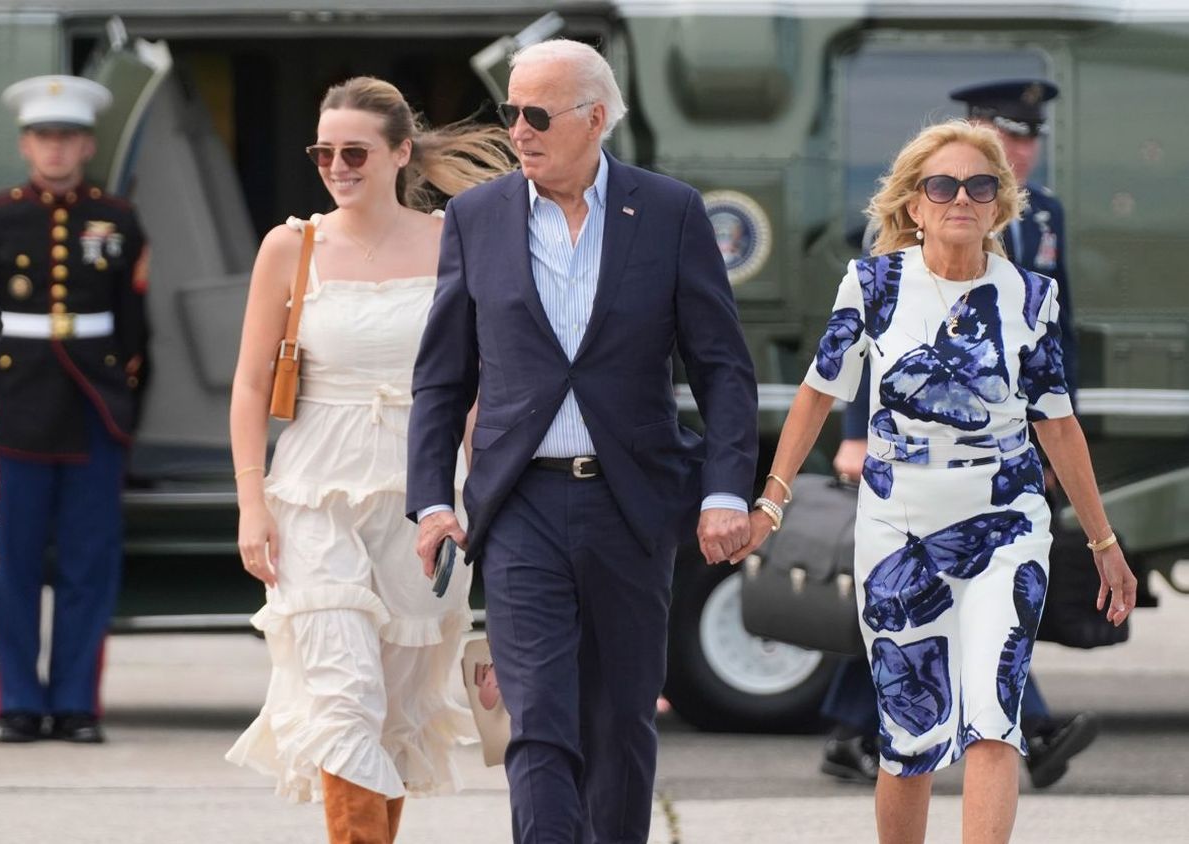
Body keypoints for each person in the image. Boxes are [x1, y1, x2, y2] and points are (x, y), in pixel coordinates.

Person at [737, 119, 1135, 843]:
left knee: (993, 717)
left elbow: (1058, 423)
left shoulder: (1029, 297)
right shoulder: (874, 283)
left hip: (1007, 523)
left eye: (979, 186)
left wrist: (1103, 540)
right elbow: (818, 392)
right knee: (911, 734)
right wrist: (772, 497)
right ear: (914, 205)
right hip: (899, 525)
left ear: (998, 204)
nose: (961, 198)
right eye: (942, 185)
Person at [407, 39, 759, 843]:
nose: (518, 131)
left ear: (595, 119)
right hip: (519, 504)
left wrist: (725, 489)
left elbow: (723, 369)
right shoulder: (476, 217)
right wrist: (431, 499)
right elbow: (442, 379)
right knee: (536, 721)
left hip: (632, 504)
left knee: (621, 723)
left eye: (537, 114)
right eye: (510, 112)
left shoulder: (669, 212)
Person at [225, 76, 513, 841]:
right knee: (341, 694)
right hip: (315, 491)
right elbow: (251, 385)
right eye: (324, 150)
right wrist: (252, 502)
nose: (336, 165)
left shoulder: (452, 237)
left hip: (423, 493)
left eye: (355, 150)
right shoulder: (292, 245)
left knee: (389, 705)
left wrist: (486, 495)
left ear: (400, 154)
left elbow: (477, 384)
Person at [820, 79, 1095, 790]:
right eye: (1011, 135)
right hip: (911, 458)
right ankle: (872, 728)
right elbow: (876, 344)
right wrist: (856, 433)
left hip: (1005, 458)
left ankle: (976, 725)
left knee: (983, 609)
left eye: (1031, 139)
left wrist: (1058, 439)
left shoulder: (1047, 219)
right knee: (913, 598)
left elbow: (1052, 344)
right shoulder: (920, 226)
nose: (1024, 150)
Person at [0, 75, 149, 744]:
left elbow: (136, 326)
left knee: (88, 564)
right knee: (10, 565)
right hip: (14, 406)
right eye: (45, 137)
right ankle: (18, 702)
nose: (56, 149)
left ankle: (76, 703)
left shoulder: (118, 218)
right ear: (26, 143)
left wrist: (126, 401)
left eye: (68, 138)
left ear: (87, 145)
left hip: (92, 406)